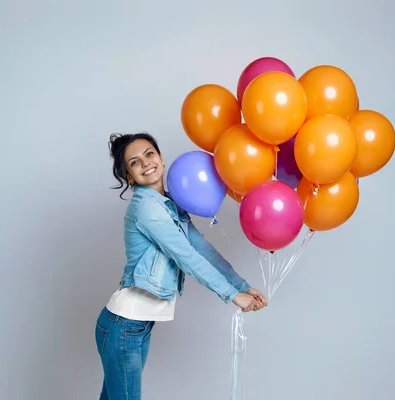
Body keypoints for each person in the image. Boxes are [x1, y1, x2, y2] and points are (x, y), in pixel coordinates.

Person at [95, 132, 268, 400]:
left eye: (149, 154)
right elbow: (186, 256)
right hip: (124, 326)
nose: (145, 163)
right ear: (130, 177)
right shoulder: (146, 209)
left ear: (161, 159)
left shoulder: (168, 206)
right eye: (134, 163)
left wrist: (242, 285)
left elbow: (203, 250)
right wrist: (233, 296)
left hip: (134, 327)